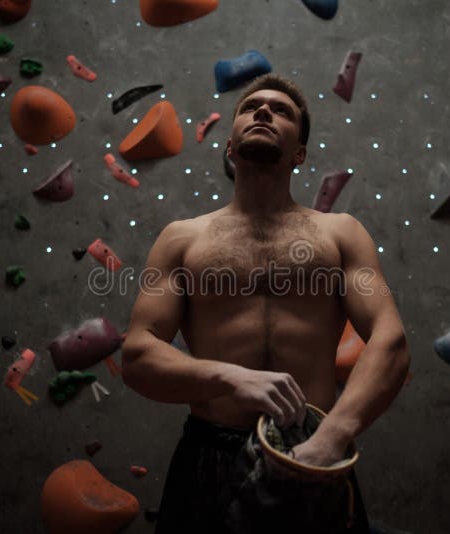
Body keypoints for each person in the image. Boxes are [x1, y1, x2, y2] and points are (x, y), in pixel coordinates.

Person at [122, 73, 410, 533]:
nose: (262, 112)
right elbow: (137, 354)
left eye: (281, 111)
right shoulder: (181, 239)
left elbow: (390, 341)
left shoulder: (342, 233)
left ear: (300, 154)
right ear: (230, 147)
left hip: (316, 450)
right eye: (251, 107)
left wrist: (332, 437)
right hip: (208, 454)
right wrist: (228, 376)